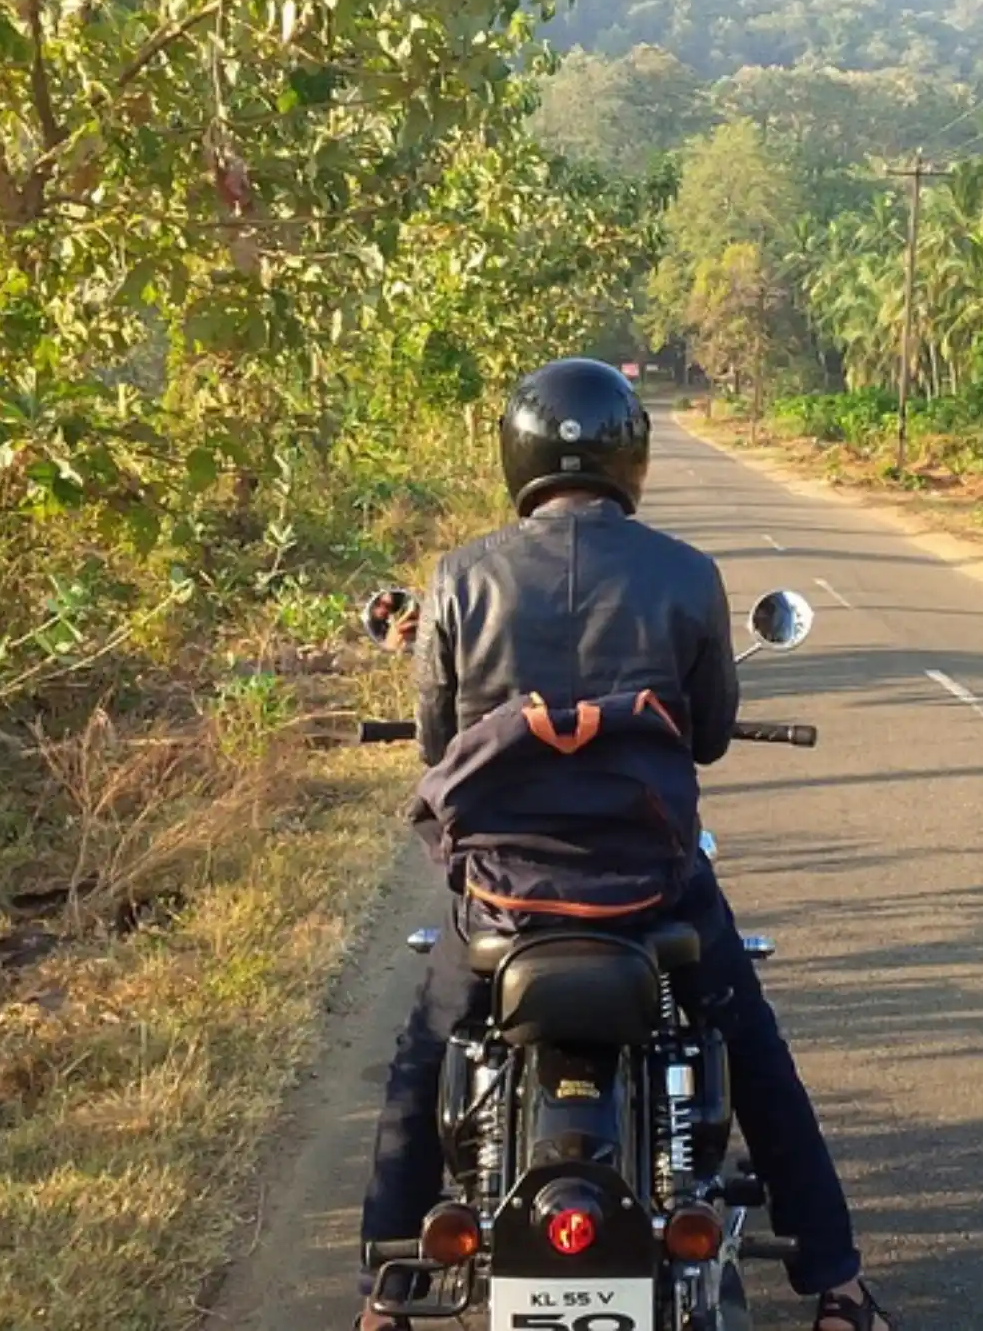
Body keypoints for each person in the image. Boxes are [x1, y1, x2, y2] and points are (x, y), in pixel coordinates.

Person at [356, 358, 891, 1331]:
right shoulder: (686, 574)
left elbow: (439, 745)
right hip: (653, 894)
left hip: (506, 903)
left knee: (420, 1058)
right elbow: (713, 734)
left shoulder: (462, 577)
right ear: (629, 457)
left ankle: (383, 1296)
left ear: (516, 456)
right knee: (758, 1062)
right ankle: (838, 1287)